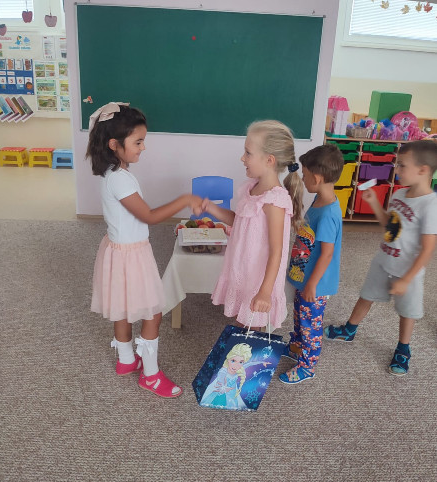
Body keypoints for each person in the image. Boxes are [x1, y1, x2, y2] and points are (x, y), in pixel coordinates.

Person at [86, 102, 202, 398]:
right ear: (114, 144)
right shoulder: (121, 179)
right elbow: (149, 216)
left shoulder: (112, 172)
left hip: (117, 250)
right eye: (138, 142)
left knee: (122, 306)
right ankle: (150, 375)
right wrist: (184, 200)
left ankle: (127, 360)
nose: (143, 147)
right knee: (153, 311)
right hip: (132, 254)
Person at [325, 140, 437, 376]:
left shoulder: (430, 205)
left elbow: (428, 249)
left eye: (402, 165)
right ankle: (349, 329)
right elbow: (389, 223)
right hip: (383, 259)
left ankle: (403, 349)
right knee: (366, 296)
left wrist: (406, 279)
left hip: (408, 271)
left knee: (407, 312)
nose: (397, 170)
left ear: (423, 170)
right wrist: (375, 203)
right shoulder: (399, 194)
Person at [201, 120, 303, 330]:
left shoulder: (275, 201)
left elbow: (277, 251)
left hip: (259, 280)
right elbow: (240, 221)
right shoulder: (252, 188)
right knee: (244, 326)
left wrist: (265, 291)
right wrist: (210, 207)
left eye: (248, 153)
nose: (242, 158)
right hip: (244, 271)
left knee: (249, 330)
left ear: (269, 160)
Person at [279, 144, 344, 384]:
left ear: (317, 178)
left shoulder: (328, 214)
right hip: (306, 277)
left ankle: (308, 366)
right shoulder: (320, 199)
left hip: (315, 284)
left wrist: (312, 284)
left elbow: (326, 254)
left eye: (305, 176)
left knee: (311, 325)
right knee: (300, 315)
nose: (303, 180)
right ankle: (296, 346)